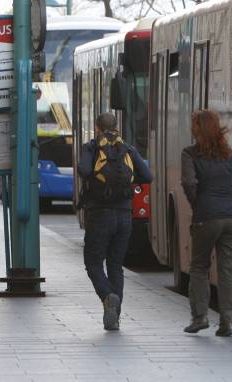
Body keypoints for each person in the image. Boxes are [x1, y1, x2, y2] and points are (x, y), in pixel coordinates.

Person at [78, 112, 152, 331]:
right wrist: (125, 184)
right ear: (116, 126)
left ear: (97, 127)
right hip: (124, 215)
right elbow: (147, 176)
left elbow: (84, 170)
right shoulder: (127, 148)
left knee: (93, 262)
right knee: (115, 265)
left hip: (100, 214)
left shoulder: (91, 147)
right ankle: (114, 318)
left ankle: (107, 297)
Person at [180, 109, 232, 337]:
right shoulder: (230, 154)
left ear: (196, 128)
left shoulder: (190, 154)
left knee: (199, 266)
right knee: (229, 269)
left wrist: (199, 204)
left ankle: (200, 318)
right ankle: (227, 321)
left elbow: (188, 182)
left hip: (206, 216)